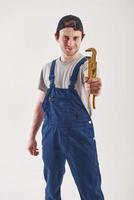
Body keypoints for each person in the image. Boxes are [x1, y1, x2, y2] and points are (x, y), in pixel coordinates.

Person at [27, 15, 105, 200]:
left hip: (79, 134)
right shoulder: (48, 69)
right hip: (51, 133)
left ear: (82, 38)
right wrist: (32, 136)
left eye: (76, 38)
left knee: (90, 186)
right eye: (66, 38)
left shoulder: (87, 66)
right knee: (51, 188)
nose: (70, 43)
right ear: (56, 37)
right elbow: (40, 105)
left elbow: (93, 84)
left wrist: (95, 86)